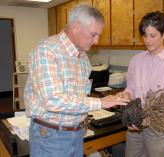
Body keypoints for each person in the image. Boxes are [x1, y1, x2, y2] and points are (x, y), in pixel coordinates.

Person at [24, 4, 129, 157]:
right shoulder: (46, 50)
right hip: (51, 137)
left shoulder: (83, 57)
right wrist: (101, 102)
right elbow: (53, 100)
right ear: (76, 27)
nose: (97, 40)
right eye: (93, 34)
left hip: (76, 133)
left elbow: (78, 97)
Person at [117, 11, 164, 157]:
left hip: (158, 127)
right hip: (136, 123)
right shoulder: (136, 60)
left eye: (153, 35)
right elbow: (130, 88)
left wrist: (144, 119)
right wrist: (126, 93)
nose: (148, 40)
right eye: (145, 35)